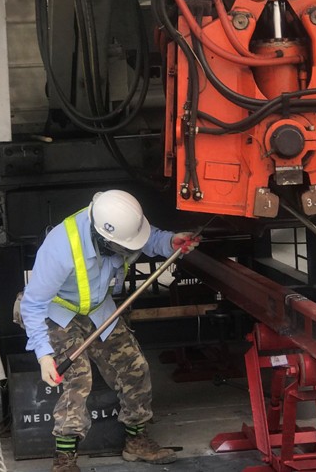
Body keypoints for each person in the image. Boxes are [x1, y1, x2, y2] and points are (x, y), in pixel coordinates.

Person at [20, 190, 200, 472]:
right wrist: (44, 355)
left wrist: (170, 242)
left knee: (135, 367)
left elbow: (150, 238)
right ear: (104, 239)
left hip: (99, 308)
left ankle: (136, 441)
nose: (129, 251)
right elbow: (32, 304)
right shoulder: (61, 246)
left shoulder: (124, 223)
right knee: (77, 377)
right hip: (58, 313)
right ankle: (64, 459)